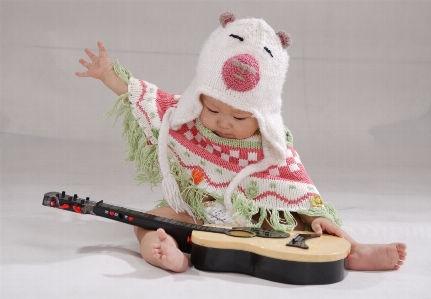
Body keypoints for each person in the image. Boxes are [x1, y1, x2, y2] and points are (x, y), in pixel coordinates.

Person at [76, 12, 406, 274]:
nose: (223, 122)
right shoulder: (187, 120)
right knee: (149, 220)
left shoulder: (272, 145)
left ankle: (356, 249)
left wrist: (309, 214)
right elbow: (148, 100)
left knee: (312, 222)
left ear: (264, 117)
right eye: (214, 108)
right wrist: (108, 76)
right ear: (198, 98)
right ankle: (166, 255)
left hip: (257, 216)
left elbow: (295, 184)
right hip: (200, 211)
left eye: (239, 118)